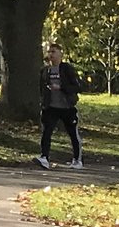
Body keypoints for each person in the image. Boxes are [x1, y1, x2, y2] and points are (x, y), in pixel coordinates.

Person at [35, 41, 83, 169]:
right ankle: (44, 157)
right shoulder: (45, 71)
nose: (51, 55)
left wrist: (61, 87)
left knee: (72, 133)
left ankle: (77, 160)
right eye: (49, 52)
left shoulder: (67, 69)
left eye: (54, 52)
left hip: (67, 107)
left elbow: (78, 87)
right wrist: (43, 101)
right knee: (46, 132)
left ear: (60, 54)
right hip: (51, 107)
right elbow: (41, 88)